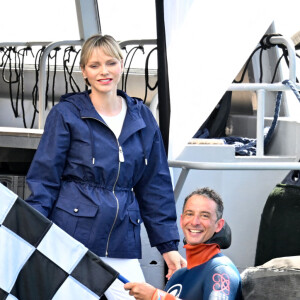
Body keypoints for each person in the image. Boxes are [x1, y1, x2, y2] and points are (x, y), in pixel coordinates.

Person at [25, 34, 186, 299]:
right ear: (84, 72)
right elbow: (45, 178)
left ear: (121, 65)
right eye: (94, 65)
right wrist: (33, 230)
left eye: (110, 63)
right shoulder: (66, 114)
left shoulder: (142, 116)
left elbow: (154, 185)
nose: (104, 72)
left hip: (122, 238)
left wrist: (168, 246)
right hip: (71, 238)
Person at [124, 187, 242, 300]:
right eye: (189, 214)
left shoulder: (221, 271)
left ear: (219, 225)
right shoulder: (177, 276)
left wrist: (156, 296)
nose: (195, 222)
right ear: (181, 220)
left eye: (204, 216)